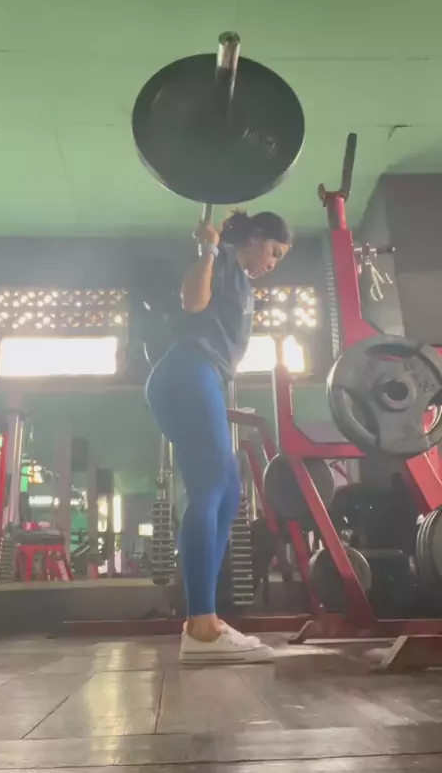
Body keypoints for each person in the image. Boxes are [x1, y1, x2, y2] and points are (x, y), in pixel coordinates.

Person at [146, 210, 292, 663]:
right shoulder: (223, 258)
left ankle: (203, 621)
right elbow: (193, 302)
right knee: (210, 487)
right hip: (189, 370)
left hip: (203, 375)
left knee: (227, 495)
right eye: (274, 252)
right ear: (256, 237)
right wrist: (209, 247)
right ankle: (201, 626)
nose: (273, 263)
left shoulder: (242, 281)